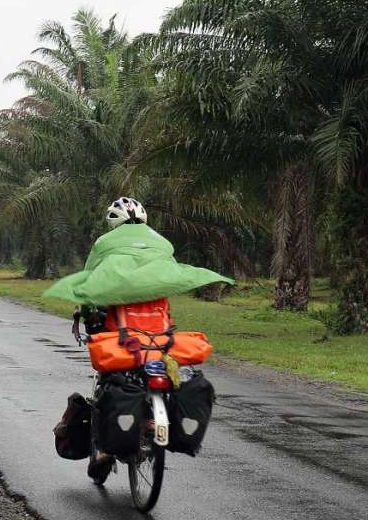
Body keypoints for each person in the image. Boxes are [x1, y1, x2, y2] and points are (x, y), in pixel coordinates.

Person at [44, 197, 232, 481]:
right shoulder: (162, 244)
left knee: (109, 377)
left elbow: (92, 280)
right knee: (163, 368)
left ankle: (104, 450)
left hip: (122, 330)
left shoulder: (104, 244)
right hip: (159, 330)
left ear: (113, 222)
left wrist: (84, 311)